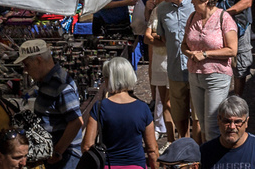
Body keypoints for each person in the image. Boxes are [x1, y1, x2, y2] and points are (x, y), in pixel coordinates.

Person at [183, 0, 238, 141]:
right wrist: (190, 53)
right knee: (202, 125)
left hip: (216, 77)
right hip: (195, 76)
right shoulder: (192, 17)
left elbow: (232, 50)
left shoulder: (224, 18)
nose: (192, 2)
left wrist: (206, 54)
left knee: (213, 125)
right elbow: (184, 44)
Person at [20, 39, 86, 169]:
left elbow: (76, 121)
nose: (25, 70)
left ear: (38, 61)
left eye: (27, 65)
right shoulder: (47, 81)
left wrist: (57, 152)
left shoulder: (60, 84)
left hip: (65, 158)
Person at [83, 56, 159, 169]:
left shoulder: (100, 107)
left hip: (108, 165)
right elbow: (152, 150)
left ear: (110, 79)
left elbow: (87, 146)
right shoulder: (143, 108)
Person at [146, 0, 195, 139]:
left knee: (198, 116)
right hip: (174, 71)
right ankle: (184, 146)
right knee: (179, 114)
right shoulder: (161, 10)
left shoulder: (196, 5)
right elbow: (163, 37)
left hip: (196, 70)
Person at [131, 0, 172, 137]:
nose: (156, 0)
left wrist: (159, 38)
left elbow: (172, 38)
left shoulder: (173, 11)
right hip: (159, 60)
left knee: (170, 100)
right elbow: (148, 37)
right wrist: (160, 38)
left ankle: (170, 132)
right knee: (161, 99)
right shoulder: (156, 10)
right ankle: (161, 127)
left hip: (171, 61)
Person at [199, 96, 255, 169]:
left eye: (237, 122)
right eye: (227, 121)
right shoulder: (205, 151)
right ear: (218, 120)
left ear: (246, 122)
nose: (232, 127)